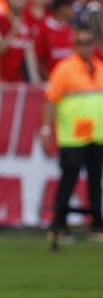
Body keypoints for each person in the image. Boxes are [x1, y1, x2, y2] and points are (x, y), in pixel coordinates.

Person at [41, 25, 103, 250]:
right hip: (73, 137)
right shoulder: (65, 69)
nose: (83, 47)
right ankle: (59, 225)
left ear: (95, 45)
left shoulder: (99, 67)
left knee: (96, 181)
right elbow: (51, 99)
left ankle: (97, 225)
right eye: (79, 43)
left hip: (97, 135)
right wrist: (46, 129)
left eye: (87, 42)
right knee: (69, 181)